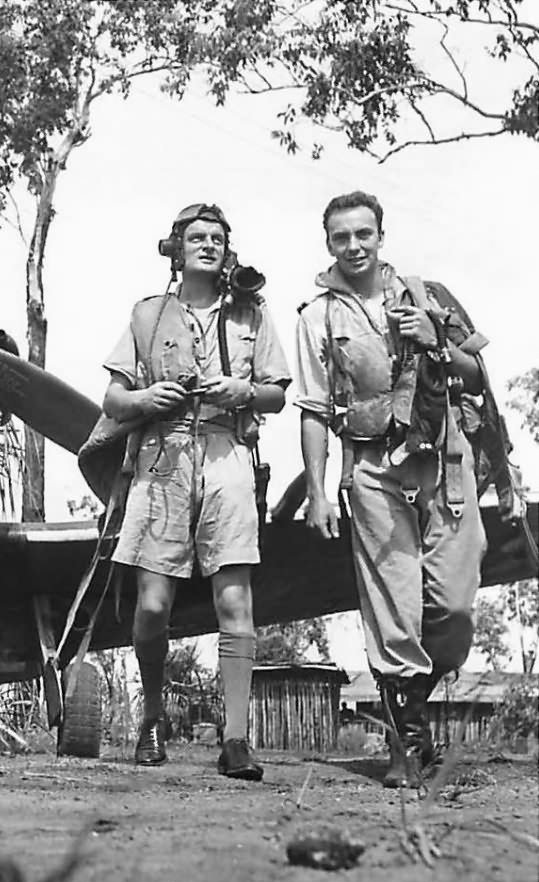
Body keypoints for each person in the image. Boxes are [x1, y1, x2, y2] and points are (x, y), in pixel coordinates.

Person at [295, 191, 488, 788]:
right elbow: (311, 409)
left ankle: (408, 709)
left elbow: (478, 375)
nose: (354, 246)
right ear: (328, 244)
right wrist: (320, 491)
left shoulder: (426, 295)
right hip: (372, 467)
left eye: (364, 234)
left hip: (442, 460)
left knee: (453, 608)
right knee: (392, 608)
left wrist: (437, 339)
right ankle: (407, 743)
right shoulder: (317, 317)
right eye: (341, 237)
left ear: (382, 236)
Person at [100, 203, 290, 781]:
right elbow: (113, 399)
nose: (207, 245)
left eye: (217, 238)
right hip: (162, 458)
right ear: (176, 248)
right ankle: (152, 717)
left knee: (235, 602)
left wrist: (243, 390)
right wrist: (144, 400)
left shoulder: (251, 312)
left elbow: (278, 394)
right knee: (153, 605)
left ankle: (235, 739)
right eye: (196, 237)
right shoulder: (149, 315)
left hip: (226, 452)